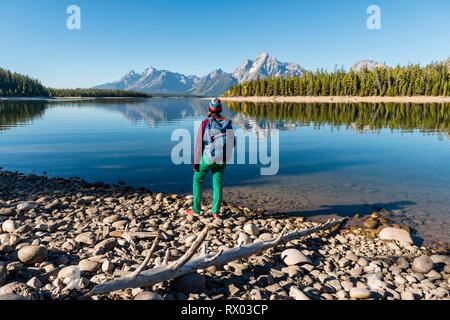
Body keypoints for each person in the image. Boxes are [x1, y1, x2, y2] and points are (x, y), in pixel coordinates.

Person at [185, 98, 234, 219]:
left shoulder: (204, 123)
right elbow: (233, 142)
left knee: (197, 179)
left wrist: (196, 164)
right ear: (220, 109)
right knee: (217, 183)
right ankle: (215, 212)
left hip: (209, 157)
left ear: (209, 109)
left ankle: (196, 209)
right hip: (223, 158)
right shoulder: (228, 122)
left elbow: (198, 146)